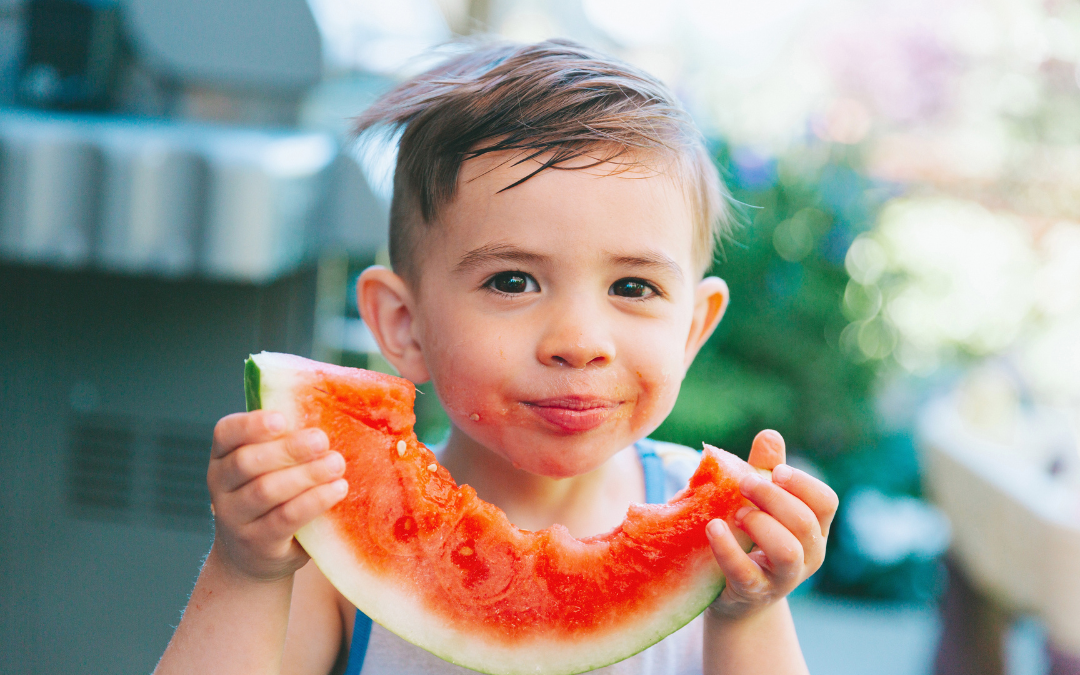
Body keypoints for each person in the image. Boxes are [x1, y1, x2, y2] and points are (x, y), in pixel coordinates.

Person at [154, 39, 838, 675]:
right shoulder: (329, 544)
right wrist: (247, 570)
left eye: (633, 286)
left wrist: (750, 611)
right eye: (511, 281)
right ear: (404, 325)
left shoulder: (718, 535)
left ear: (692, 329)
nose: (578, 340)